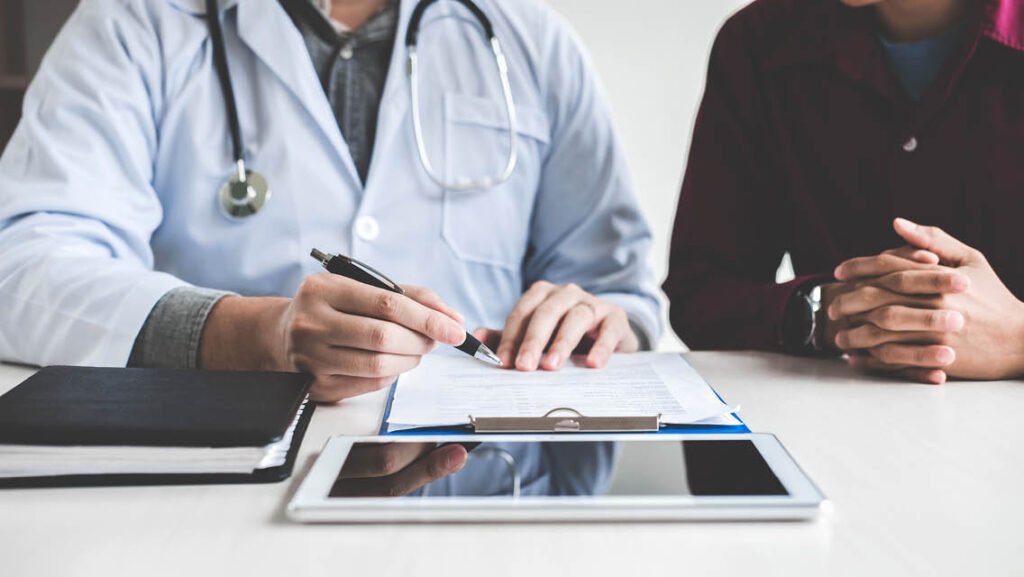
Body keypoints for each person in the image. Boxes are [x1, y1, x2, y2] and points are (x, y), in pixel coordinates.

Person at [0, 0, 655, 494]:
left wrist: (599, 322)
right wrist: (251, 335)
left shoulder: (529, 37)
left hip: (484, 502)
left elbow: (620, 290)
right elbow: (23, 264)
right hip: (212, 502)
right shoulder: (137, 21)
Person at [664, 0, 1024, 384]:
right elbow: (701, 291)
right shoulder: (759, 41)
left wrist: (1016, 339)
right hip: (826, 430)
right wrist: (830, 314)